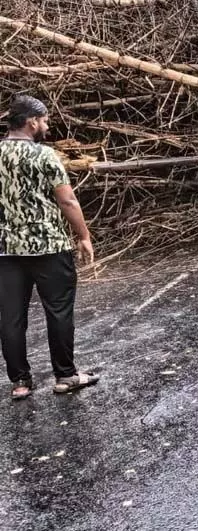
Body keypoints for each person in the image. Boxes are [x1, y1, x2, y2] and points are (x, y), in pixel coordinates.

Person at [0, 96, 100, 400]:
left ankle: (20, 382)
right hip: (49, 246)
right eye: (44, 120)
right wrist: (83, 235)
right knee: (58, 311)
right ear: (32, 122)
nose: (46, 125)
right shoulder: (44, 155)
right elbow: (67, 200)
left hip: (5, 250)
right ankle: (65, 375)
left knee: (10, 316)